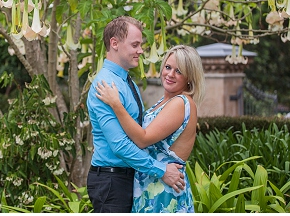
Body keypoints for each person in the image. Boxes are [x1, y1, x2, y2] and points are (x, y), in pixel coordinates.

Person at [86, 16, 186, 213]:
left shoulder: (124, 81)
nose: (140, 50)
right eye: (135, 45)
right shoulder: (105, 85)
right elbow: (119, 145)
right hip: (111, 182)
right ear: (114, 43)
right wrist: (161, 170)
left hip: (126, 178)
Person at [94, 44, 204, 213]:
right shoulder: (164, 101)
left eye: (179, 71)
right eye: (168, 67)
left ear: (189, 77)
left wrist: (116, 104)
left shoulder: (180, 103)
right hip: (151, 187)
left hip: (164, 192)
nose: (170, 74)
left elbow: (143, 139)